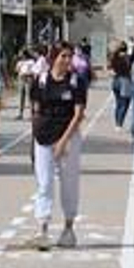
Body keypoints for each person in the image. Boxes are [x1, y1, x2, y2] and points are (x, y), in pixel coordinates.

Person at [31, 41, 87, 250]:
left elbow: (79, 113)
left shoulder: (75, 82)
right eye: (62, 56)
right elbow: (35, 110)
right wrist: (35, 135)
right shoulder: (41, 81)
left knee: (69, 182)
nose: (66, 60)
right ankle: (42, 228)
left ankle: (68, 227)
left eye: (69, 56)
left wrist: (63, 141)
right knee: (44, 182)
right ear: (53, 58)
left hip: (68, 136)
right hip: (44, 135)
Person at [109, 41, 132, 130]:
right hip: (125, 80)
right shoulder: (127, 58)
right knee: (125, 103)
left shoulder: (114, 57)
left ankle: (117, 123)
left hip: (116, 80)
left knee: (118, 102)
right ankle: (119, 123)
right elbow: (129, 68)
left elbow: (111, 68)